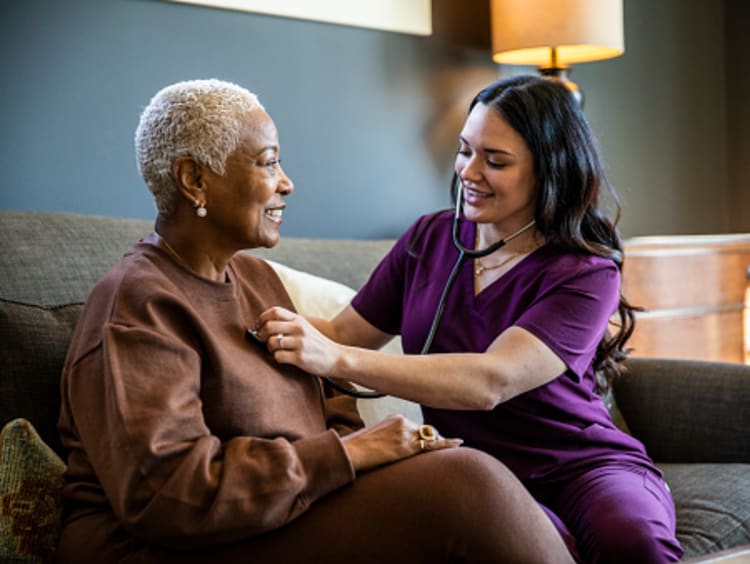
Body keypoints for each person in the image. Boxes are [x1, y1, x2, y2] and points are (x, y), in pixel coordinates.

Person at [56, 78, 576, 563]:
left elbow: (330, 404)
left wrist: (377, 452)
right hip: (177, 541)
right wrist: (346, 454)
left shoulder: (256, 279)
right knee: (468, 487)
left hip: (290, 506)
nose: (286, 183)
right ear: (194, 180)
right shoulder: (137, 303)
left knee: (469, 483)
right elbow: (171, 495)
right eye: (267, 162)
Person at [256, 75, 684, 563]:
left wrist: (337, 359)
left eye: (495, 160)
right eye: (465, 151)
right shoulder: (429, 240)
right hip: (475, 470)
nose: (468, 171)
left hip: (582, 467)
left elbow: (491, 381)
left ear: (550, 169)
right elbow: (341, 331)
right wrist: (237, 312)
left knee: (633, 543)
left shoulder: (585, 272)